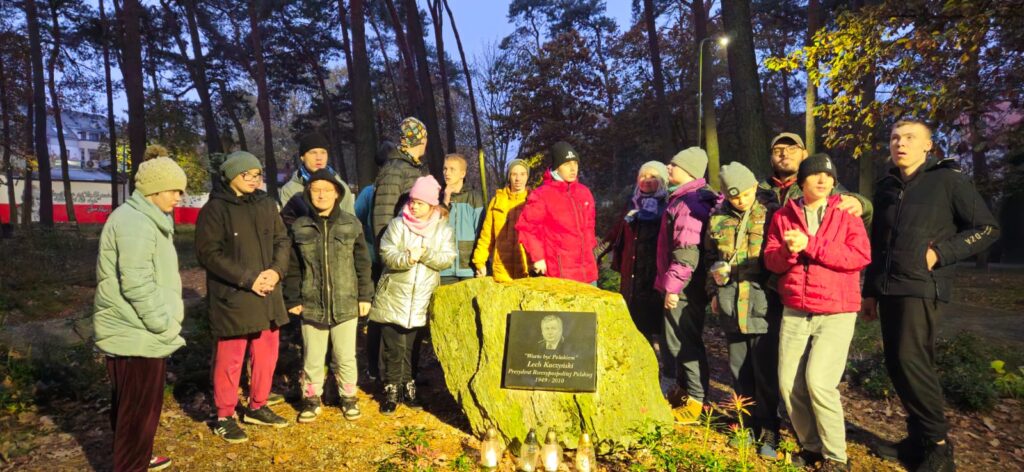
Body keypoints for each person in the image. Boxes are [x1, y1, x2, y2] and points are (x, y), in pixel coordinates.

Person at [862, 120, 999, 471]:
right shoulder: (887, 187)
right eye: (894, 138)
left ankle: (939, 448)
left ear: (928, 146)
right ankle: (918, 440)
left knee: (912, 362)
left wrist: (941, 253)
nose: (900, 143)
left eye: (909, 138)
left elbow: (987, 228)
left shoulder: (947, 180)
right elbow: (877, 244)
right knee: (896, 363)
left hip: (923, 287)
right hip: (890, 288)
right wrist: (870, 291)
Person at [764, 153, 871, 472]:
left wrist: (810, 244)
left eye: (828, 176)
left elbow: (859, 256)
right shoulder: (784, 215)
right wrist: (787, 251)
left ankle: (837, 457)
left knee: (818, 382)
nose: (823, 180)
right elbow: (771, 261)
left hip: (836, 310)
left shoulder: (846, 212)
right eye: (815, 176)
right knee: (788, 384)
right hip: (796, 308)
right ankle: (810, 446)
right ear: (802, 182)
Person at [93, 157, 187, 471]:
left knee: (133, 409)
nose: (179, 197)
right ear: (154, 189)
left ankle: (137, 458)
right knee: (137, 414)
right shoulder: (135, 222)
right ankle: (132, 464)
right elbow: (135, 282)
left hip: (137, 332)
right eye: (173, 190)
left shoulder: (145, 218)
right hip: (135, 333)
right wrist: (162, 323)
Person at [195, 151, 292, 443]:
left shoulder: (266, 204)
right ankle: (224, 414)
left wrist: (276, 272)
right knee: (231, 358)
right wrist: (249, 279)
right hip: (235, 294)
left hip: (268, 292)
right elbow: (208, 254)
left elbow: (282, 240)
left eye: (257, 174)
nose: (253, 179)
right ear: (231, 176)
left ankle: (257, 406)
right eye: (246, 174)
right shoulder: (215, 210)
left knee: (266, 353)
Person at [703, 161, 781, 459]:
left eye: (745, 194)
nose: (741, 201)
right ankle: (745, 424)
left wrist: (773, 290)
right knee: (738, 369)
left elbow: (778, 256)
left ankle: (769, 428)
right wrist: (714, 289)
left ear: (753, 187)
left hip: (762, 302)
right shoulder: (717, 218)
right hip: (730, 303)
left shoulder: (771, 211)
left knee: (765, 370)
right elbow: (710, 257)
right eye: (734, 197)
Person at [283, 170, 374, 423]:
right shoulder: (300, 227)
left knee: (345, 356)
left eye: (326, 189)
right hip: (312, 304)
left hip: (346, 302)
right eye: (316, 189)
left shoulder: (351, 224)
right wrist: (293, 299)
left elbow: (363, 264)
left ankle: (349, 398)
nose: (321, 194)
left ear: (337, 193)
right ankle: (311, 400)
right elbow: (292, 268)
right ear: (309, 193)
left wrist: (364, 296)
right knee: (312, 356)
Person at [369, 176, 455, 415]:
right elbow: (386, 253)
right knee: (393, 346)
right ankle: (391, 389)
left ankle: (409, 386)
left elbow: (447, 258)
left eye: (420, 202)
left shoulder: (442, 229)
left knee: (412, 346)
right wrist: (407, 258)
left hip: (421, 298)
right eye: (412, 201)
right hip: (394, 294)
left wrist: (424, 254)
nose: (414, 206)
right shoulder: (398, 225)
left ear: (431, 205)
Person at [654, 147, 721, 424]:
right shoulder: (682, 199)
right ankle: (683, 392)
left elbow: (687, 250)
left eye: (673, 165)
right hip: (682, 284)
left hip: (684, 287)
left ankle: (695, 401)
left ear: (690, 171)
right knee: (676, 339)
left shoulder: (689, 203)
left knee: (683, 341)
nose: (667, 168)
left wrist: (672, 287)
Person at [367, 119, 428, 384]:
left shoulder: (408, 167)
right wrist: (388, 254)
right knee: (387, 319)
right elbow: (382, 216)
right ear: (420, 141)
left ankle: (406, 374)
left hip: (410, 254)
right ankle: (384, 374)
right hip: (394, 255)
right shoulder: (395, 169)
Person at [601, 161, 669, 340]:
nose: (647, 180)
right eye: (643, 176)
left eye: (653, 177)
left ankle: (665, 368)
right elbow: (615, 233)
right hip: (631, 277)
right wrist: (595, 253)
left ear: (663, 181)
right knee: (634, 330)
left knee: (660, 332)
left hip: (655, 279)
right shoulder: (631, 205)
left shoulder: (669, 206)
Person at [515, 141, 598, 284]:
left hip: (588, 272)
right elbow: (527, 228)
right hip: (561, 272)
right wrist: (538, 258)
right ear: (556, 168)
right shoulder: (541, 195)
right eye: (566, 164)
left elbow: (590, 228)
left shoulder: (584, 193)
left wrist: (593, 250)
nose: (573, 168)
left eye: (575, 163)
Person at [759, 132, 871, 224]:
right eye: (777, 150)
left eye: (792, 148)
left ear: (805, 154)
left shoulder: (819, 186)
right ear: (771, 159)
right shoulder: (757, 191)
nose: (785, 153)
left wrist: (860, 202)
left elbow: (857, 204)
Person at [472, 159, 531, 282]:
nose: (518, 178)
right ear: (509, 176)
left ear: (527, 176)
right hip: (501, 272)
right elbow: (486, 237)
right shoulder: (497, 201)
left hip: (527, 271)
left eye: (522, 174)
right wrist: (479, 262)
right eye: (514, 174)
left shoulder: (534, 201)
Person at [280, 131, 356, 225]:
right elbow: (286, 229)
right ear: (302, 157)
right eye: (313, 153)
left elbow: (352, 225)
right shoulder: (290, 190)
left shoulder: (341, 186)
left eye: (323, 152)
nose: (319, 157)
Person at [439, 153, 485, 283]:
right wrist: (445, 202)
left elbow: (481, 232)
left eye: (452, 169)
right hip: (444, 267)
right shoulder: (437, 196)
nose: (447, 173)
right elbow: (433, 229)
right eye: (445, 168)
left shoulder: (474, 198)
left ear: (462, 174)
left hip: (469, 267)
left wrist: (480, 262)